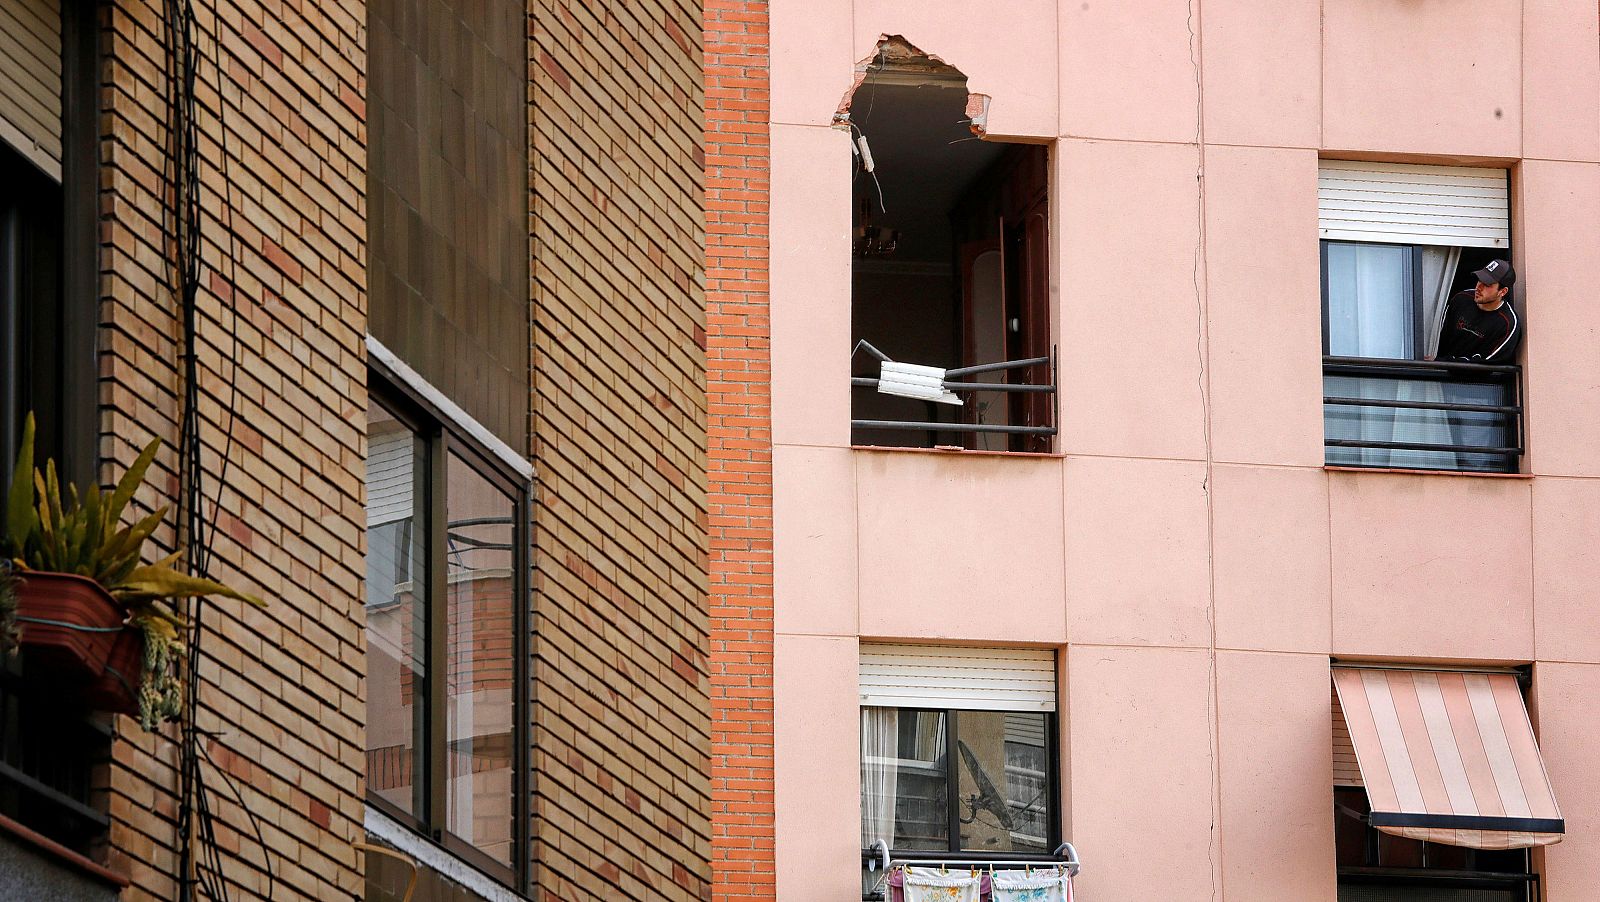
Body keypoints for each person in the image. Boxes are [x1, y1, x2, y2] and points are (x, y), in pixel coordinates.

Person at [1434, 259, 1520, 470]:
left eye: (1487, 284)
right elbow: (1439, 339)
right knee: (1440, 449)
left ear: (1503, 291)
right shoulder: (1461, 299)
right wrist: (1439, 364)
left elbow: (1486, 365)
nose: (1479, 287)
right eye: (1479, 280)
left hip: (1478, 395)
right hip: (1440, 385)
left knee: (1475, 458)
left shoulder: (1507, 323)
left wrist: (1448, 363)